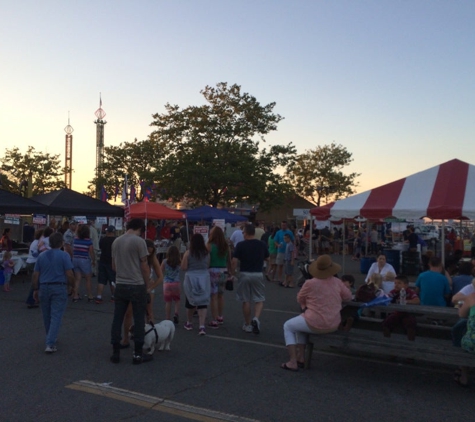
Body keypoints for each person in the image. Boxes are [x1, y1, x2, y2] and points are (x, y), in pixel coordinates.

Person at [281, 255, 351, 371]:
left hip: (315, 321)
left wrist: (306, 304)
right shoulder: (337, 282)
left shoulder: (310, 283)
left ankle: (293, 361)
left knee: (288, 326)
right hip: (333, 323)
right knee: (300, 325)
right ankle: (301, 357)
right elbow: (348, 297)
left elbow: (300, 298)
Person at [110, 218, 153, 364]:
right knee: (139, 318)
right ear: (140, 228)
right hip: (136, 284)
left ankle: (116, 351)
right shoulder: (139, 242)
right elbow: (145, 266)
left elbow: (114, 266)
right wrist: (147, 286)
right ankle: (138, 354)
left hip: (121, 284)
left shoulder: (116, 241)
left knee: (118, 318)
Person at [31, 232, 74, 353]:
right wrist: (72, 286)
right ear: (61, 243)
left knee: (46, 315)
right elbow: (69, 274)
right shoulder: (64, 256)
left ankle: (51, 336)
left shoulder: (41, 256)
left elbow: (35, 275)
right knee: (56, 315)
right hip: (58, 287)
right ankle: (50, 342)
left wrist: (35, 288)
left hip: (44, 286)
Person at [232, 224, 269, 334]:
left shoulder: (240, 245)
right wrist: (268, 270)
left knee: (246, 299)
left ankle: (247, 324)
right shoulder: (262, 244)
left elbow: (234, 261)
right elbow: (268, 257)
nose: (242, 234)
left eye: (243, 232)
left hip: (244, 273)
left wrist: (232, 272)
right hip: (257, 273)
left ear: (247, 233)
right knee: (259, 299)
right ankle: (256, 318)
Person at [182, 233, 211, 335]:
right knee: (203, 301)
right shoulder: (206, 253)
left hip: (191, 277)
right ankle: (201, 326)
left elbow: (184, 267)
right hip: (204, 277)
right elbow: (207, 265)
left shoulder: (188, 253)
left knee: (190, 301)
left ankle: (189, 322)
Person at [207, 226, 232, 328]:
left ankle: (214, 319)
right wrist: (230, 272)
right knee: (221, 295)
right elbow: (229, 260)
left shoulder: (209, 245)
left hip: (212, 270)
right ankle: (220, 316)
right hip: (223, 271)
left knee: (213, 296)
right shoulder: (226, 246)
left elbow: (206, 260)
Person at [382, 275, 420, 341]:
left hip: (407, 313)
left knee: (411, 324)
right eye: (395, 283)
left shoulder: (409, 292)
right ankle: (387, 341)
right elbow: (386, 298)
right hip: (396, 313)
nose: (396, 285)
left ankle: (411, 343)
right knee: (385, 323)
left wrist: (406, 301)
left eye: (399, 283)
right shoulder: (393, 292)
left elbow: (417, 301)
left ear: (406, 285)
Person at [454, 292, 475, 386]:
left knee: (461, 332)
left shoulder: (472, 296)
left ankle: (464, 375)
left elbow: (462, 314)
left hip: (472, 342)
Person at [71, 224, 95, 303]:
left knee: (77, 278)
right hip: (84, 260)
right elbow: (91, 252)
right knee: (88, 278)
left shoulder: (75, 239)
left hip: (75, 259)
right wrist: (93, 260)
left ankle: (75, 296)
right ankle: (90, 296)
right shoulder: (88, 241)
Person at [94, 226, 117, 304]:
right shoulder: (116, 241)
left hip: (103, 261)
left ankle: (99, 296)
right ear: (113, 232)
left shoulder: (103, 240)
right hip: (112, 262)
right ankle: (113, 296)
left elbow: (100, 248)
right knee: (112, 280)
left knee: (101, 280)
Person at [161, 245, 181, 323]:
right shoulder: (179, 261)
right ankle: (176, 314)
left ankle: (167, 317)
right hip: (176, 283)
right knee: (177, 300)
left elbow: (160, 270)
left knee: (168, 301)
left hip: (167, 283)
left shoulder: (165, 261)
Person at [145, 239, 164, 323]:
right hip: (137, 284)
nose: (148, 254)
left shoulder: (152, 258)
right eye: (147, 252)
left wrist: (151, 287)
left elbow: (160, 277)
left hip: (148, 287)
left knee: (149, 311)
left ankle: (151, 332)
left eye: (150, 252)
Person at [25, 228, 44, 308]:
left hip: (30, 262)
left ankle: (34, 298)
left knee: (35, 282)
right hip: (34, 263)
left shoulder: (34, 242)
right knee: (35, 282)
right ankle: (31, 300)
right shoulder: (38, 243)